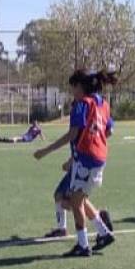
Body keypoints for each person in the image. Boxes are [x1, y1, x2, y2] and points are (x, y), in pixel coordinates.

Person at [34, 69, 117, 257]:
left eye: (73, 88)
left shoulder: (82, 104)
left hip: (86, 158)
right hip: (99, 157)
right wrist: (93, 141)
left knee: (74, 200)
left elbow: (72, 134)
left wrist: (45, 151)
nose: (72, 92)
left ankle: (83, 245)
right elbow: (108, 130)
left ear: (80, 86)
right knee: (79, 198)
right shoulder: (103, 104)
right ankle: (103, 233)